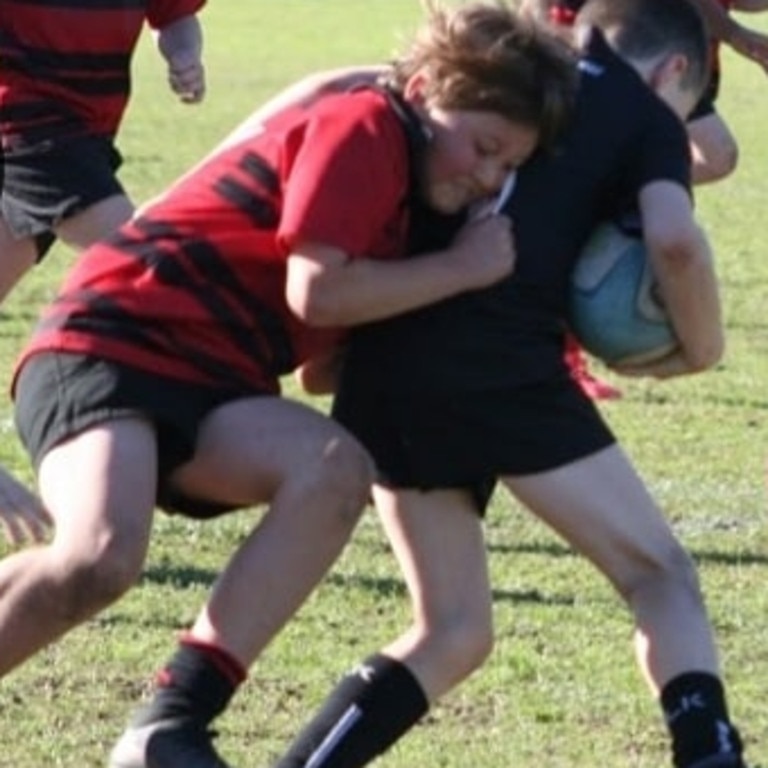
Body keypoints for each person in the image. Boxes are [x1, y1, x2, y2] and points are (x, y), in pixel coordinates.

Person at [3, 4, 578, 768]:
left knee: (332, 466)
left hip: (212, 381)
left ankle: (170, 720)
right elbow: (317, 293)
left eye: (507, 167)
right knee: (100, 557)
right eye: (483, 147)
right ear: (426, 88)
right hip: (111, 340)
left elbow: (318, 368)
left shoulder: (417, 203)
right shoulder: (368, 126)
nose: (486, 176)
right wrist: (460, 271)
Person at [267, 0, 750, 766]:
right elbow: (676, 243)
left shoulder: (515, 76)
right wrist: (703, 349)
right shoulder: (647, 111)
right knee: (660, 576)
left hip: (387, 360)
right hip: (502, 372)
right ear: (676, 71)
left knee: (452, 629)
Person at [0, 0, 207, 304]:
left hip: (88, 135)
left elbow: (174, 15)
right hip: (32, 129)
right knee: (151, 265)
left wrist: (184, 53)